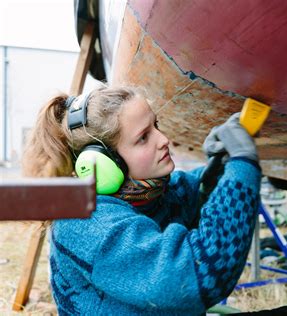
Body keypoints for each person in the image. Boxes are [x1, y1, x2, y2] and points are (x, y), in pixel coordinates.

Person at [23, 85, 262, 315]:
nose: (163, 140)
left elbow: (195, 191)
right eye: (144, 137)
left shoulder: (153, 192)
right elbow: (198, 275)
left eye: (155, 125)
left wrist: (221, 163)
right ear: (102, 163)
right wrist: (242, 164)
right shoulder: (85, 222)